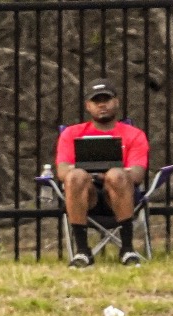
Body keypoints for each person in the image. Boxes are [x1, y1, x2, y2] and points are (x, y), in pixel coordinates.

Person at [53, 79, 150, 268]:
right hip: (85, 197)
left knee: (116, 175)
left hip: (120, 195)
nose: (102, 105)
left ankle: (127, 248)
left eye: (106, 99)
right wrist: (90, 175)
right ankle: (82, 251)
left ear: (117, 102)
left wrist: (107, 174)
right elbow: (63, 171)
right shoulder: (72, 134)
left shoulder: (134, 134)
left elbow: (137, 175)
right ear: (88, 106)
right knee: (75, 177)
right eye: (96, 101)